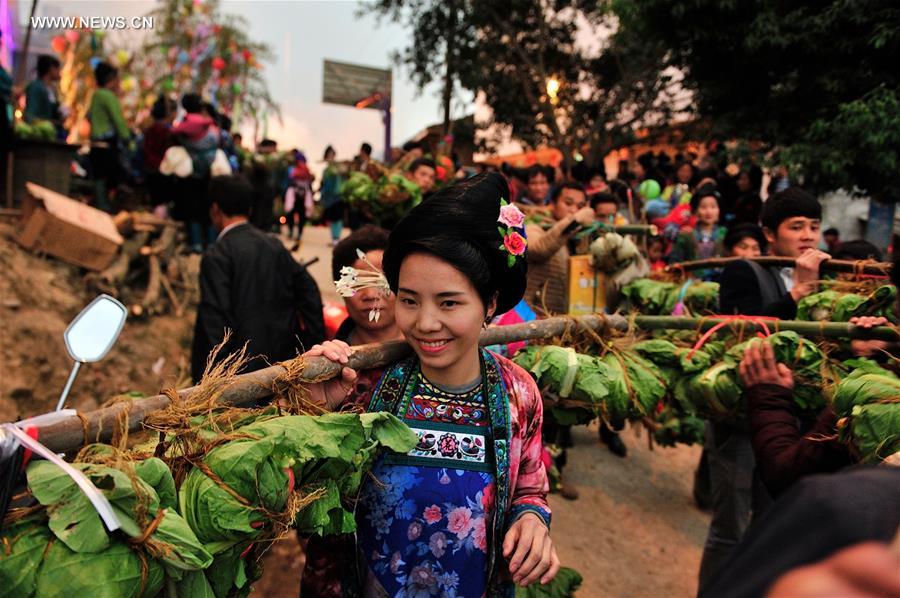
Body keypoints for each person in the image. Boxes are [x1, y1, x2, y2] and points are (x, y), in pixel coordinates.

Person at [303, 172, 558, 596]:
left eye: (449, 302)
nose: (425, 323)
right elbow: (311, 498)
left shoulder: (519, 394)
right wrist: (313, 413)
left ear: (490, 303)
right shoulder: (363, 387)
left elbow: (530, 486)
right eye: (409, 300)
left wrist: (531, 519)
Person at [700, 187, 830, 590]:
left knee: (776, 521)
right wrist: (797, 294)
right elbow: (736, 333)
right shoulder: (746, 271)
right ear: (771, 235)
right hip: (740, 419)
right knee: (731, 528)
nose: (808, 236)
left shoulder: (833, 278)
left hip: (792, 423)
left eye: (814, 227)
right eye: (796, 227)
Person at [190, 175, 325, 383]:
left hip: (239, 376)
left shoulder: (218, 254)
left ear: (215, 209)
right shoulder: (274, 245)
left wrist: (214, 378)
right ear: (249, 210)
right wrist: (312, 342)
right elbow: (309, 290)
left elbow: (214, 321)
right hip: (282, 367)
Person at [523, 181, 592, 315]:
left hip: (563, 316)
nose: (573, 210)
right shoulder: (534, 227)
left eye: (580, 206)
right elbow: (539, 249)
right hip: (534, 314)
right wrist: (575, 220)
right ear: (552, 204)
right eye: (568, 203)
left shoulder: (582, 237)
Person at [331, 225, 404, 346]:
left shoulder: (433, 353)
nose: (370, 294)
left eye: (381, 280)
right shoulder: (330, 358)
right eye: (356, 283)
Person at [88, 62, 131, 212]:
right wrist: (127, 139)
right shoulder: (108, 96)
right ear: (111, 79)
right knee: (110, 177)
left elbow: (89, 116)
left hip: (95, 142)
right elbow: (118, 120)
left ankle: (101, 206)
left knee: (99, 177)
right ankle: (105, 208)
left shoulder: (96, 94)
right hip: (107, 143)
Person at [142, 95, 176, 211]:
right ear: (171, 113)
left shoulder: (149, 129)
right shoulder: (168, 131)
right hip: (164, 174)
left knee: (156, 206)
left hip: (150, 172)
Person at [24, 54, 63, 136]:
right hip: (38, 135)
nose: (60, 72)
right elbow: (30, 115)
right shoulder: (35, 87)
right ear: (51, 69)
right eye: (58, 69)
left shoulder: (51, 89)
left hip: (50, 133)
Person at [319, 145, 345, 244]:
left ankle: (336, 238)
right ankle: (334, 238)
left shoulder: (339, 168)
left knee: (338, 218)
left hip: (338, 197)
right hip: (329, 198)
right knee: (332, 218)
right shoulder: (326, 170)